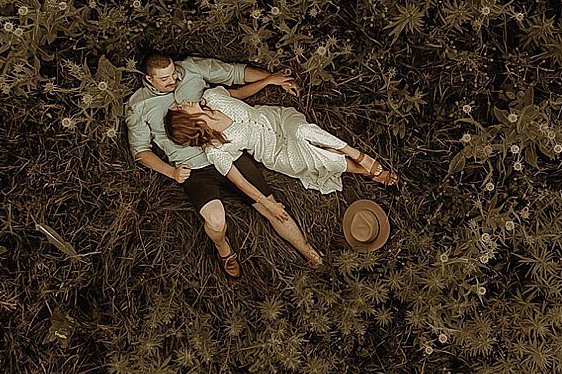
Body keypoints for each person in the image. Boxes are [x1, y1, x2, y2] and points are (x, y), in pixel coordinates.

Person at [124, 52, 315, 279]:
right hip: (195, 169)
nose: (173, 81)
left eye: (174, 74)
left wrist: (272, 78)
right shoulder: (139, 105)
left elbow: (235, 72)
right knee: (215, 221)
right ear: (148, 79)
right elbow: (140, 151)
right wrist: (171, 172)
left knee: (272, 207)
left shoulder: (192, 69)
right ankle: (223, 248)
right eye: (164, 79)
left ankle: (311, 254)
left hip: (227, 150)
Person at [164, 86, 400, 270]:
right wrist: (267, 203)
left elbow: (238, 93)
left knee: (304, 131)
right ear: (187, 122)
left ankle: (360, 156)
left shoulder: (212, 96)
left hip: (279, 120)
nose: (183, 102)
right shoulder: (216, 149)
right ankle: (365, 170)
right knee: (319, 156)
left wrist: (269, 80)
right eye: (180, 108)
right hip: (277, 154)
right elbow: (239, 181)